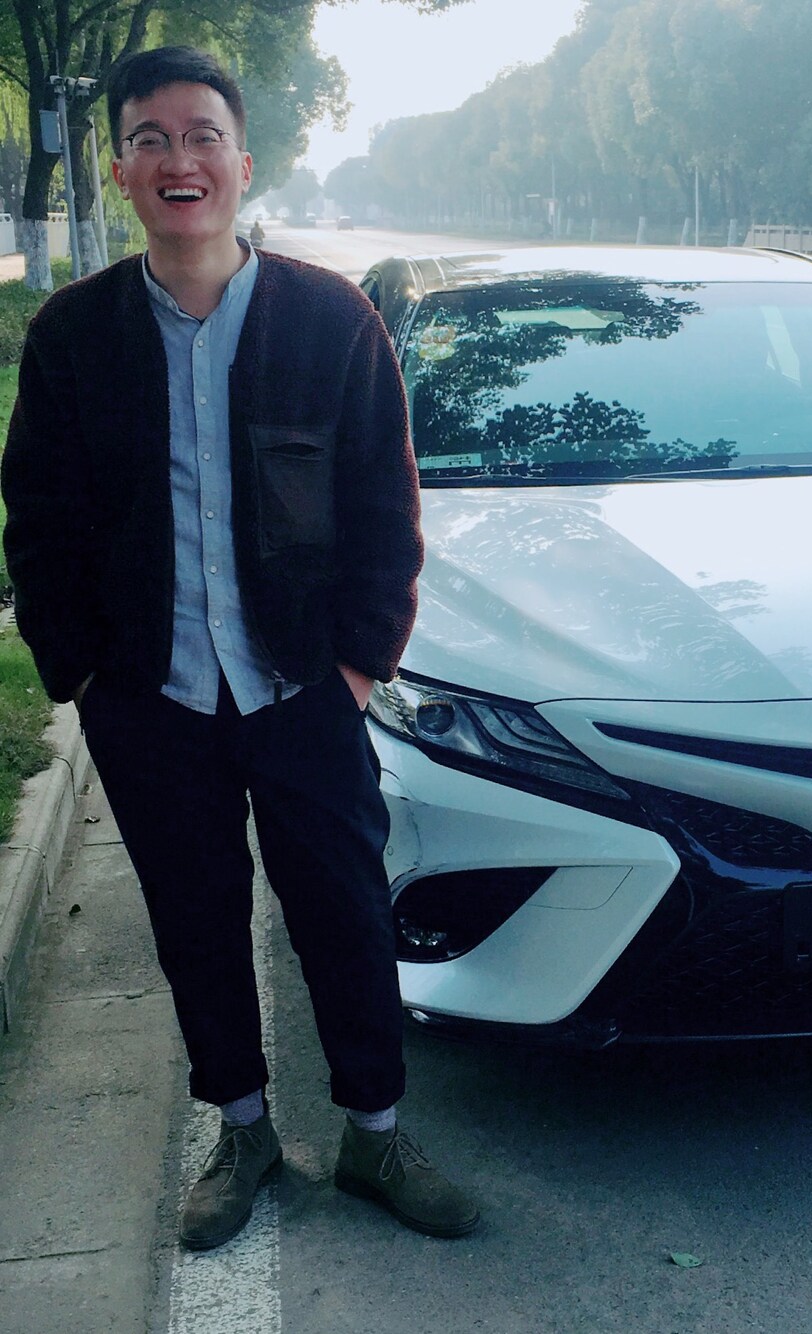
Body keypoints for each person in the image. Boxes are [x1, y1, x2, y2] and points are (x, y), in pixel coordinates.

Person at [1, 45, 479, 1250]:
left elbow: (385, 508)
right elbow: (40, 520)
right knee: (195, 917)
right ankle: (245, 1128)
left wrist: (357, 667)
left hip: (302, 684)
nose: (180, 159)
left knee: (344, 910)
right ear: (120, 170)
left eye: (202, 134)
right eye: (150, 139)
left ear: (242, 161)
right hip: (151, 696)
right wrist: (85, 676)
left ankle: (374, 1130)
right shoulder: (74, 335)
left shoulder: (330, 320)